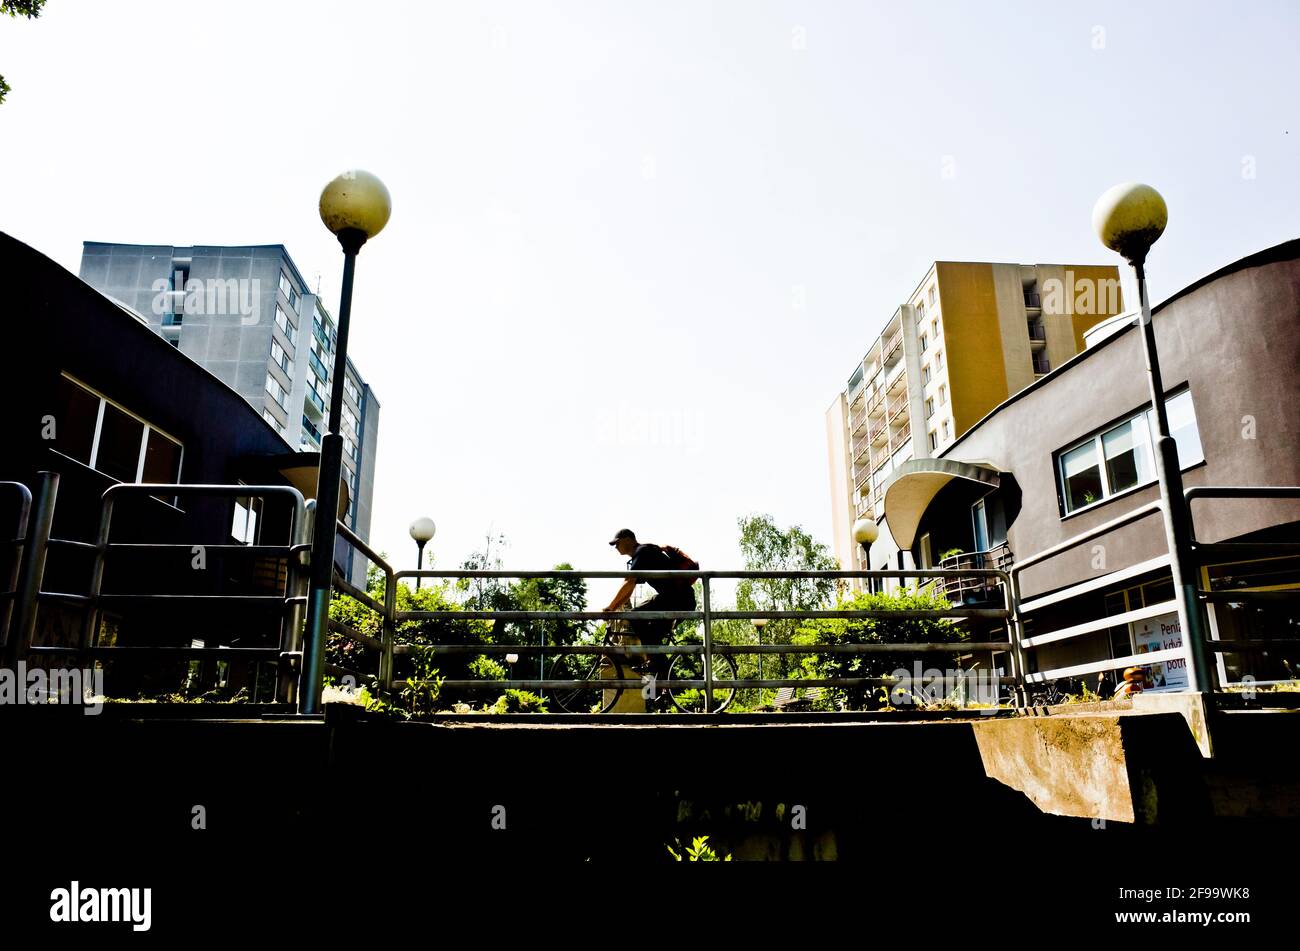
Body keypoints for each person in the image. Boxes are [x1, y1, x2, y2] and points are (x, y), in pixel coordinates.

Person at [603, 528, 697, 709]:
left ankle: (660, 668)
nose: (615, 547)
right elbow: (629, 586)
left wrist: (611, 607)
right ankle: (661, 680)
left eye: (617, 543)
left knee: (636, 619)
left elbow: (628, 582)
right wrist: (615, 607)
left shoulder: (642, 552)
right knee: (652, 639)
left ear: (628, 539)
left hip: (677, 599)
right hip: (673, 599)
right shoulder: (641, 555)